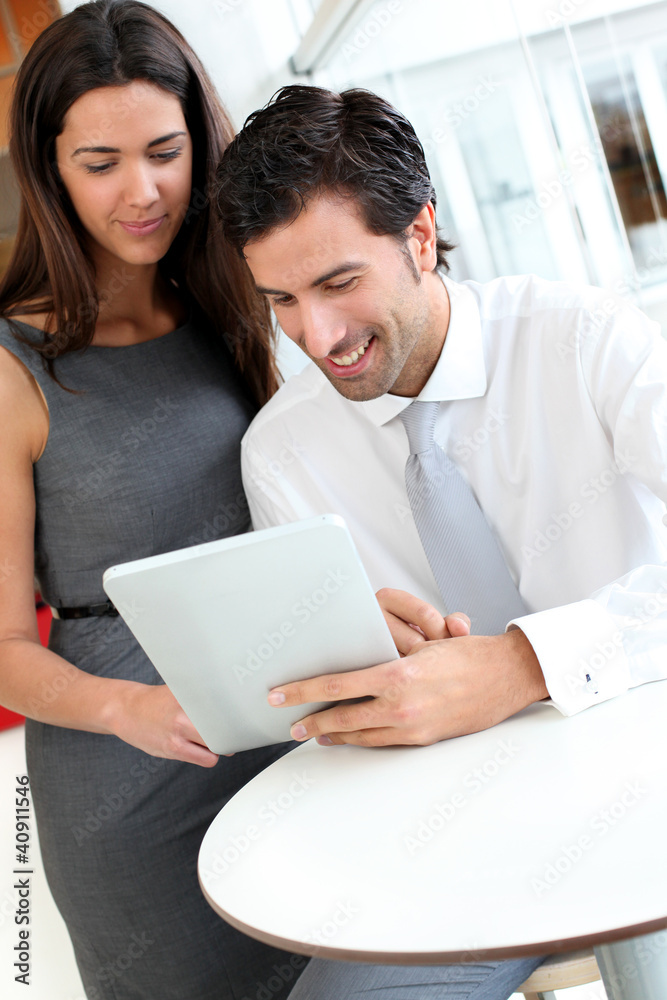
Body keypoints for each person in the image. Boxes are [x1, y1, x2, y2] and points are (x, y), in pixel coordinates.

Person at [214, 84, 667, 999]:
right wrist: (354, 670)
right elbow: (320, 714)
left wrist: (522, 664)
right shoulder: (281, 450)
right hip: (458, 837)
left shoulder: (583, 340)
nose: (318, 336)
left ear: (420, 236)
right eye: (282, 301)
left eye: (339, 283)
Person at [0, 4, 304, 998]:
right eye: (100, 163)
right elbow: (5, 645)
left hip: (291, 741)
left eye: (166, 151)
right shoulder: (13, 367)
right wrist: (127, 706)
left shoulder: (236, 306)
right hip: (125, 785)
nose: (144, 191)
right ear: (48, 169)